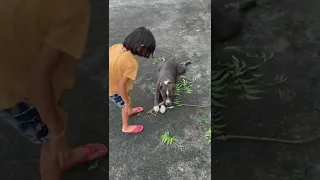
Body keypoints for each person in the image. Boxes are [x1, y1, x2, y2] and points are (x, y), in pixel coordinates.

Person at [0, 0, 107, 180]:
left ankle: (65, 154)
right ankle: (60, 158)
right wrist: (58, 134)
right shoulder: (72, 8)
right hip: (18, 92)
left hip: (16, 68)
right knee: (51, 142)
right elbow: (36, 81)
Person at [109, 27, 156, 134]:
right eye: (147, 51)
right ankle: (125, 127)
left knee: (126, 101)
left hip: (110, 80)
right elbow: (121, 86)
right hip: (114, 89)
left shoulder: (117, 46)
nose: (146, 54)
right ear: (140, 47)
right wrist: (127, 102)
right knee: (125, 104)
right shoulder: (131, 63)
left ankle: (128, 110)